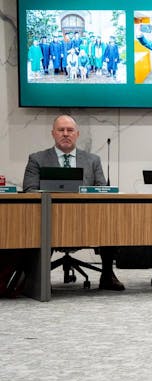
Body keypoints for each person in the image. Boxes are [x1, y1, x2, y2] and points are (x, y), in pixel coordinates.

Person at [22, 115, 124, 291]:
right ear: (53, 134)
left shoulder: (93, 160)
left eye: (70, 130)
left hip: (87, 218)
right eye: (61, 130)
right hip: (50, 218)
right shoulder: (37, 159)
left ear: (77, 134)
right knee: (35, 225)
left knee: (111, 219)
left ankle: (107, 275)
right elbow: (29, 190)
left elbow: (101, 189)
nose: (65, 134)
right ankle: (40, 278)